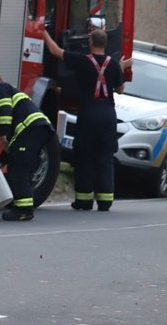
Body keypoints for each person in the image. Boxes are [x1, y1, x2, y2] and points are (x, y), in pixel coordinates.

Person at [41, 25, 131, 211]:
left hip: (89, 113)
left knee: (84, 157)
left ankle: (84, 200)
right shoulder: (113, 64)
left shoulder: (81, 61)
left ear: (90, 42)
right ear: (105, 44)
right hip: (108, 115)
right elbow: (120, 89)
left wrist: (42, 32)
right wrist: (120, 68)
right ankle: (105, 201)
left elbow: (55, 51)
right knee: (105, 157)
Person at [0, 72, 54, 221]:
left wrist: (3, 133)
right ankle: (24, 208)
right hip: (37, 130)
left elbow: (5, 110)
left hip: (32, 130)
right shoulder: (12, 91)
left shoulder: (0, 87)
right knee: (20, 163)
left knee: (18, 169)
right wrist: (2, 160)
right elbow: (14, 145)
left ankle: (23, 210)